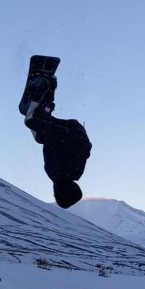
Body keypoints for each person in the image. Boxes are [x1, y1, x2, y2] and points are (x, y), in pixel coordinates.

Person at [19, 57, 91, 209]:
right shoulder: (59, 173)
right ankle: (45, 84)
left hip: (73, 131)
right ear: (61, 192)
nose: (53, 193)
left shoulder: (74, 173)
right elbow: (61, 144)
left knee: (39, 133)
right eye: (56, 195)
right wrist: (46, 127)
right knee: (31, 120)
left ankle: (48, 94)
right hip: (67, 132)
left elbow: (85, 149)